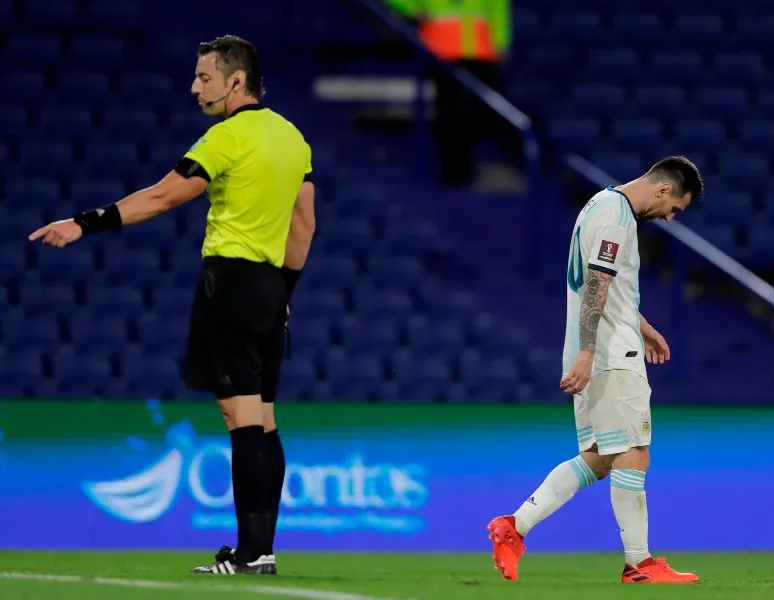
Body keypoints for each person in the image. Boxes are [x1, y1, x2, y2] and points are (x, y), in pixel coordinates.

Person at [29, 34, 316, 576]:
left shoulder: (226, 137)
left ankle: (252, 553)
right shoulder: (293, 139)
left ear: (236, 81)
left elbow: (165, 195)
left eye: (204, 77)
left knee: (240, 419)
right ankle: (262, 548)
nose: (194, 87)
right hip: (270, 288)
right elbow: (305, 225)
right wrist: (285, 294)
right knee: (266, 420)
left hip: (230, 282)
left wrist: (84, 222)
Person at [486, 157, 704, 584]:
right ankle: (639, 563)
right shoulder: (618, 219)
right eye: (675, 208)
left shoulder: (598, 204)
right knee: (635, 452)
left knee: (602, 458)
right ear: (662, 190)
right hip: (608, 354)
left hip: (598, 347)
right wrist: (590, 352)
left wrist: (642, 327)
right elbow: (596, 287)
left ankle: (514, 526)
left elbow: (608, 287)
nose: (671, 218)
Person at [385, 0, 511, 187]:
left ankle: (462, 164)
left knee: (484, 111)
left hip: (481, 51)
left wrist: (501, 41)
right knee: (450, 112)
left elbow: (498, 7)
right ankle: (454, 173)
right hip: (442, 51)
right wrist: (412, 8)